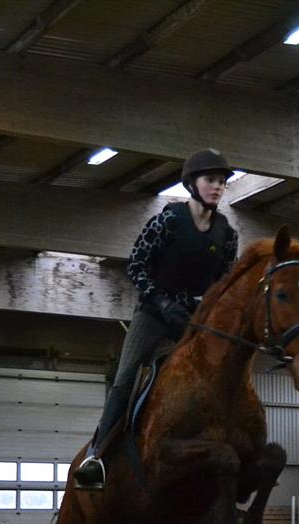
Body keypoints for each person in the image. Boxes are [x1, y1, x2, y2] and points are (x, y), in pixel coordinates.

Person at [73, 149, 240, 490]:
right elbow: (136, 265)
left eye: (222, 182)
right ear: (192, 184)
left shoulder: (228, 234)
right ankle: (96, 457)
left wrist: (205, 311)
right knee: (125, 378)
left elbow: (222, 284)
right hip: (154, 315)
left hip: (194, 321)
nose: (217, 187)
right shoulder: (168, 221)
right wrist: (162, 302)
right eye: (211, 180)